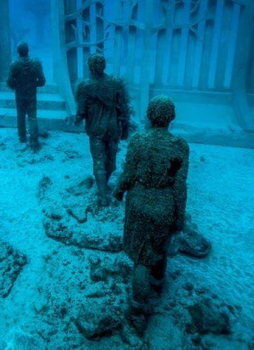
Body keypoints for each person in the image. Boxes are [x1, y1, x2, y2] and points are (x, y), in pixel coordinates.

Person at [113, 95, 189, 330]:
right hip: (164, 206)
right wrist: (179, 216)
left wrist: (118, 191)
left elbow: (128, 174)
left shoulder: (138, 141)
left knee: (142, 260)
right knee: (159, 248)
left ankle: (137, 311)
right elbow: (179, 185)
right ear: (171, 117)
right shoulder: (179, 147)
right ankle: (157, 284)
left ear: (149, 115)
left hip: (139, 204)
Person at [74, 53, 131, 206]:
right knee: (111, 161)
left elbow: (81, 111)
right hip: (113, 129)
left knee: (99, 161)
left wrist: (76, 120)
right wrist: (125, 129)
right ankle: (104, 185)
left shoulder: (85, 86)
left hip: (95, 130)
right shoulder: (116, 84)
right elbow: (124, 110)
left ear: (90, 67)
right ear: (104, 66)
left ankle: (102, 194)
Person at [6, 42, 46, 150]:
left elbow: (9, 81)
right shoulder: (36, 63)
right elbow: (42, 81)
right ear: (28, 50)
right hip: (31, 93)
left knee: (20, 114)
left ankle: (22, 137)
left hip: (19, 93)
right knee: (32, 116)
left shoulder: (14, 65)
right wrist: (33, 84)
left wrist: (17, 86)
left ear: (18, 52)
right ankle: (34, 139)